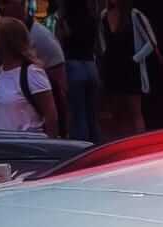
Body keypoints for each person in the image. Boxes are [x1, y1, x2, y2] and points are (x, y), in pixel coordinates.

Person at [0, 0, 67, 136]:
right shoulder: (0, 71)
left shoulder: (40, 36)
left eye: (6, 3)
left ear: (21, 5)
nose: (2, 8)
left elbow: (59, 84)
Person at [0, 18, 59, 135]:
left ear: (8, 41)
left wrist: (50, 144)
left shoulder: (32, 73)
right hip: (0, 145)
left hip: (28, 144)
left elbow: (51, 116)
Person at [98, 0, 154, 138]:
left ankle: (140, 143)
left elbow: (152, 42)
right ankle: (121, 143)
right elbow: (102, 39)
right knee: (117, 112)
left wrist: (135, 59)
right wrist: (105, 55)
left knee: (134, 111)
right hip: (112, 70)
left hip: (131, 69)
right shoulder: (104, 15)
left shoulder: (134, 15)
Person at [57, 0, 100, 142]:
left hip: (73, 65)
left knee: (78, 114)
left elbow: (61, 42)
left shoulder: (66, 20)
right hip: (91, 65)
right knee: (92, 114)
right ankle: (96, 145)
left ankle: (82, 148)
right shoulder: (92, 19)